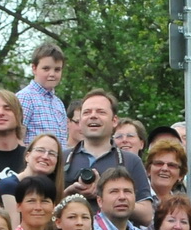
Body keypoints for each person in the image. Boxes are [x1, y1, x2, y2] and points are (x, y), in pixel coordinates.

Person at [64, 89, 152, 223]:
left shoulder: (131, 161)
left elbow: (146, 215)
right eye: (87, 112)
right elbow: (42, 206)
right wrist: (69, 194)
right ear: (80, 121)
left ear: (114, 120)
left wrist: (107, 195)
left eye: (101, 112)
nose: (93, 116)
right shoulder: (61, 158)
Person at [17, 42, 69, 148]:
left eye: (57, 69)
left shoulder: (58, 103)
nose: (52, 74)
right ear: (34, 68)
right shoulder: (25, 98)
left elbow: (63, 141)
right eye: (46, 69)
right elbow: (17, 139)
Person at [0, 132, 65, 215]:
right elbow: (13, 226)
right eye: (40, 150)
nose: (45, 157)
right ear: (27, 156)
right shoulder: (9, 186)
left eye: (52, 153)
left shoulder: (55, 192)